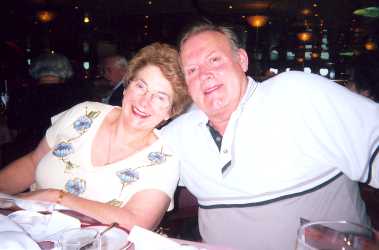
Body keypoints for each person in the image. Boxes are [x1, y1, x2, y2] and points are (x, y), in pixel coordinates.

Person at [161, 22, 379, 249]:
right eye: (192, 70)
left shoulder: (297, 94)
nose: (204, 75)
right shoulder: (180, 133)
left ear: (241, 60)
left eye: (214, 60)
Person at [0, 42, 191, 231]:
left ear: (170, 112)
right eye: (141, 86)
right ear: (126, 87)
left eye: (160, 97)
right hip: (21, 233)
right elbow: (33, 163)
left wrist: (56, 198)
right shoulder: (83, 113)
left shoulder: (163, 159)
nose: (144, 101)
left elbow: (138, 222)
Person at [4, 53, 82, 163]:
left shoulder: (20, 94)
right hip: (63, 154)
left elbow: (13, 129)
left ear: (35, 69)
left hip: (26, 154)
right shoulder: (76, 94)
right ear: (66, 69)